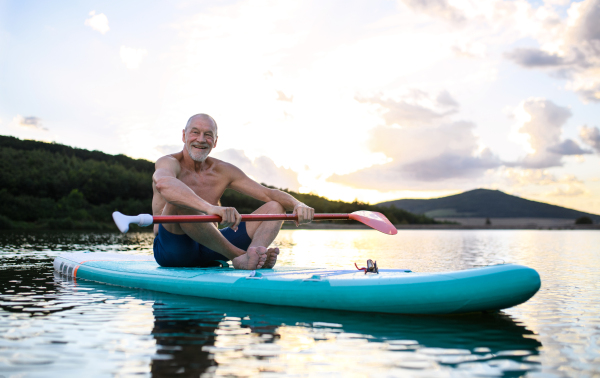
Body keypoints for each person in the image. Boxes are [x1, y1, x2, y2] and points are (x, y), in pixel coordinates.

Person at [152, 113, 314, 270]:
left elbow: (268, 193)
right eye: (195, 132)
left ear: (215, 141)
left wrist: (298, 204)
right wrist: (210, 208)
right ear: (184, 135)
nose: (201, 139)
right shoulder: (168, 162)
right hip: (174, 251)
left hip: (212, 246)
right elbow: (164, 184)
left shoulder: (223, 171)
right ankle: (238, 256)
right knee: (180, 203)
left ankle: (255, 256)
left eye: (208, 135)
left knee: (276, 207)